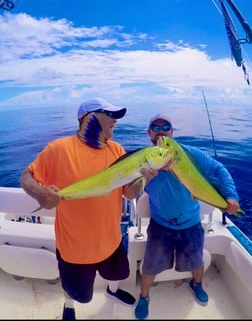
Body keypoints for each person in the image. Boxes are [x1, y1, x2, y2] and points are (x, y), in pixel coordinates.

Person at [20, 98, 143, 320]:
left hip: (111, 239)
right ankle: (69, 306)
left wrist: (143, 178)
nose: (115, 121)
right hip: (74, 247)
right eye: (110, 115)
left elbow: (129, 193)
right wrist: (40, 194)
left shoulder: (117, 150)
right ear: (88, 118)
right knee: (77, 293)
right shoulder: (58, 149)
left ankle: (112, 292)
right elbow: (26, 176)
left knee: (117, 273)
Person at [134, 113, 241, 320]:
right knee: (150, 265)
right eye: (155, 128)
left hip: (191, 224)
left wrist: (230, 195)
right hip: (160, 226)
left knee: (196, 261)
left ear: (172, 133)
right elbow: (143, 190)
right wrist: (158, 172)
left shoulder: (190, 153)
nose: (161, 131)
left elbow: (219, 169)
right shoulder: (145, 162)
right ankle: (144, 296)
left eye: (166, 127)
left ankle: (197, 284)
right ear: (149, 133)